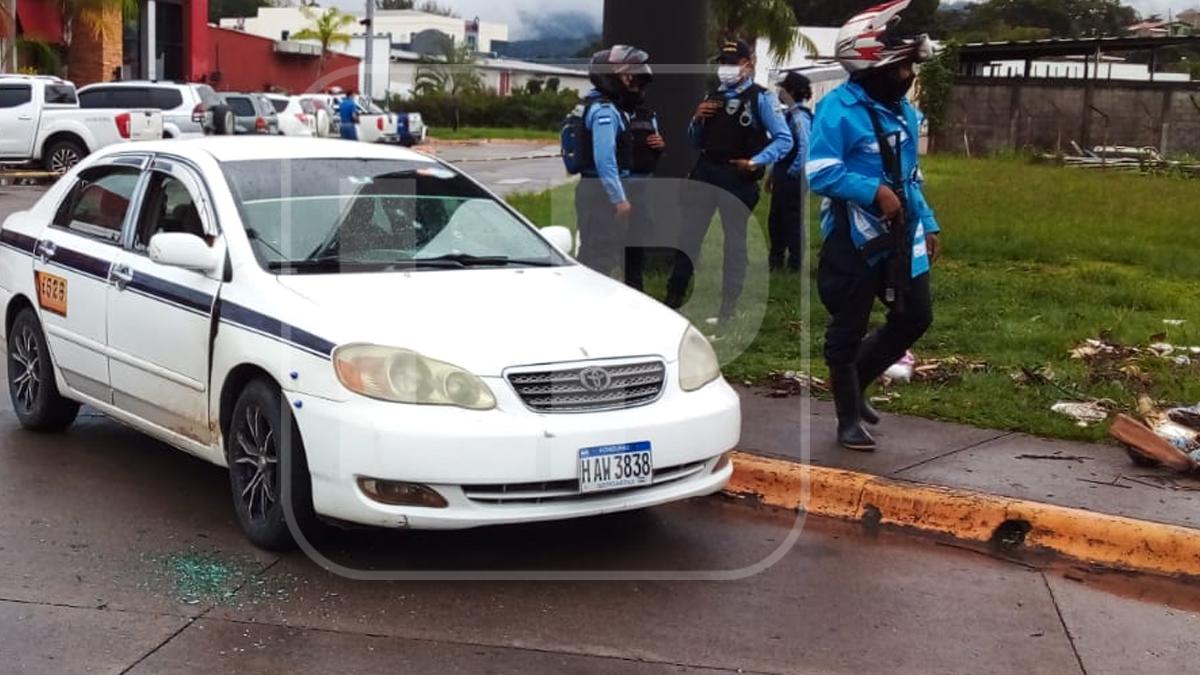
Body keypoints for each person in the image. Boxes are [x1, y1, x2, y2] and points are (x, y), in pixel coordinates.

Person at [806, 0, 941, 452]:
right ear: (873, 65)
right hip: (854, 236)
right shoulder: (837, 111)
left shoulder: (901, 110)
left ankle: (857, 382)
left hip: (903, 233)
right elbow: (819, 172)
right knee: (848, 325)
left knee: (914, 316)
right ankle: (846, 418)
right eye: (901, 67)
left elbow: (909, 177)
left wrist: (929, 223)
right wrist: (871, 191)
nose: (909, 76)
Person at [666, 39, 792, 325]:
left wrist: (757, 161)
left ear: (748, 65)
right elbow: (694, 140)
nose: (726, 69)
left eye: (733, 63)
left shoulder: (761, 98)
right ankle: (673, 298)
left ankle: (728, 308)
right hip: (706, 171)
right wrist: (696, 119)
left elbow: (784, 139)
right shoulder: (714, 95)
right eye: (723, 62)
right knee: (688, 237)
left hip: (738, 176)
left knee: (734, 243)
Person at [573, 46, 663, 286]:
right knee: (599, 259)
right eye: (627, 77)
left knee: (607, 254)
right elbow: (605, 159)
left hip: (598, 190)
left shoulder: (605, 106)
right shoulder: (605, 110)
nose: (632, 83)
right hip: (601, 194)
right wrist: (619, 199)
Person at [767, 72, 813, 273]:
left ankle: (796, 264)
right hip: (783, 174)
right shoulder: (789, 115)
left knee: (792, 221)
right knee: (776, 219)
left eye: (784, 88)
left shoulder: (800, 117)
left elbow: (805, 147)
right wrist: (773, 174)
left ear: (792, 91)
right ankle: (776, 259)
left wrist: (792, 172)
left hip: (793, 178)